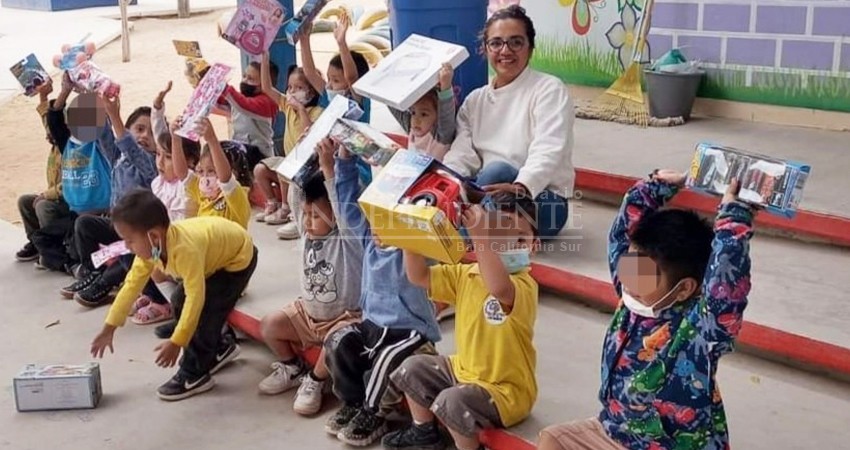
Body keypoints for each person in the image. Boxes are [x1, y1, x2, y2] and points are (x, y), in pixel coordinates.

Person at [537, 171, 754, 450]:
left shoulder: (699, 330)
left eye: (644, 274)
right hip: (616, 430)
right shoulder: (633, 294)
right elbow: (622, 233)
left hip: (670, 445)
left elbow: (725, 292)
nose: (627, 279)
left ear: (685, 288)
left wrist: (732, 220)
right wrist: (656, 186)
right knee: (553, 440)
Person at [383, 196, 539, 450]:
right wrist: (408, 239)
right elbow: (418, 276)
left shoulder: (523, 286)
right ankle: (423, 433)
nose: (508, 244)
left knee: (452, 401)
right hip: (462, 371)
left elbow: (498, 286)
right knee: (412, 366)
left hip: (505, 391)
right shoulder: (465, 275)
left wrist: (481, 238)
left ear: (534, 246)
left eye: (520, 238)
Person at [323, 141, 441, 447]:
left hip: (411, 334)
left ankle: (373, 412)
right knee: (338, 340)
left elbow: (436, 229)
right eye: (377, 213)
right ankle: (353, 402)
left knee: (387, 358)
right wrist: (344, 159)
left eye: (389, 215)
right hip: (373, 327)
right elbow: (348, 203)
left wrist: (411, 228)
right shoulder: (368, 238)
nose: (377, 224)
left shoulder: (417, 248)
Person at [90, 189, 258, 401]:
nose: (126, 246)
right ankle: (220, 346)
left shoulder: (185, 250)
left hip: (237, 260)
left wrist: (178, 341)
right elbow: (132, 284)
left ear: (153, 236)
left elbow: (196, 297)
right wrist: (109, 327)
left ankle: (195, 374)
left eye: (129, 240)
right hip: (214, 258)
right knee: (178, 299)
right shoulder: (152, 249)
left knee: (205, 308)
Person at [444, 5, 575, 240]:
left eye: (516, 42)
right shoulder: (475, 101)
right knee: (455, 183)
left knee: (498, 170)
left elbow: (548, 149)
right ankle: (460, 226)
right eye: (496, 43)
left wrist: (521, 187)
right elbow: (461, 154)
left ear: (530, 48)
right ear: (485, 48)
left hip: (540, 201)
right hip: (489, 194)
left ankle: (456, 234)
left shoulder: (548, 89)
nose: (505, 51)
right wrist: (448, 182)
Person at [258, 138, 363, 416]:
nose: (306, 221)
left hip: (343, 319)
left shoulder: (347, 239)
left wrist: (329, 167)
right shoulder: (306, 233)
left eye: (315, 215)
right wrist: (304, 148)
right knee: (269, 325)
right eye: (305, 215)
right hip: (307, 315)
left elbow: (342, 204)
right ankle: (292, 367)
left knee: (335, 342)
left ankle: (315, 380)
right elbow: (295, 191)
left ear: (334, 217)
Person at [60, 92, 160, 308]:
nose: (144, 136)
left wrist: (115, 117)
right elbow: (104, 134)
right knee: (85, 224)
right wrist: (96, 99)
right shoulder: (118, 157)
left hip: (142, 235)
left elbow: (133, 151)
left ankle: (107, 284)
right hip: (119, 225)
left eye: (152, 133)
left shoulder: (152, 164)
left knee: (127, 251)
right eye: (139, 129)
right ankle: (95, 273)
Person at [127, 130, 201, 326]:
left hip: (190, 250)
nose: (160, 161)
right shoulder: (157, 184)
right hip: (168, 248)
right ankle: (170, 304)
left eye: (168, 157)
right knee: (138, 254)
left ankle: (171, 306)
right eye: (158, 154)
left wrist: (176, 139)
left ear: (190, 161)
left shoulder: (191, 183)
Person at [254, 53, 324, 228]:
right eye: (290, 87)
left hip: (307, 166)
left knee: (286, 171)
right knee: (260, 169)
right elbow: (267, 87)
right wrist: (264, 59)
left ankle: (290, 211)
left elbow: (308, 136)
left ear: (311, 91)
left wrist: (301, 109)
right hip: (288, 161)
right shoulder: (286, 105)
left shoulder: (317, 111)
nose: (292, 92)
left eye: (298, 87)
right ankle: (275, 203)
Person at [14, 77, 73, 267]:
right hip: (54, 196)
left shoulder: (71, 148)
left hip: (69, 203)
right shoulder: (56, 142)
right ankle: (37, 242)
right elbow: (47, 119)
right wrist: (43, 95)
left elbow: (72, 183)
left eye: (52, 129)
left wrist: (46, 195)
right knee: (25, 201)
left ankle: (54, 249)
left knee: (42, 206)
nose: (48, 132)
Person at [388, 63, 456, 161]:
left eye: (424, 114)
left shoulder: (441, 135)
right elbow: (392, 104)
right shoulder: (412, 129)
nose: (416, 120)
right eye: (413, 113)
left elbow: (447, 114)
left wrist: (446, 86)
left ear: (437, 117)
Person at [217, 61, 279, 168]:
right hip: (240, 152)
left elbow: (243, 105)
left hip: (260, 157)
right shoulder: (241, 98)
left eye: (251, 79)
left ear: (264, 84)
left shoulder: (267, 102)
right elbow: (221, 102)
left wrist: (223, 86)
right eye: (244, 76)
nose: (244, 80)